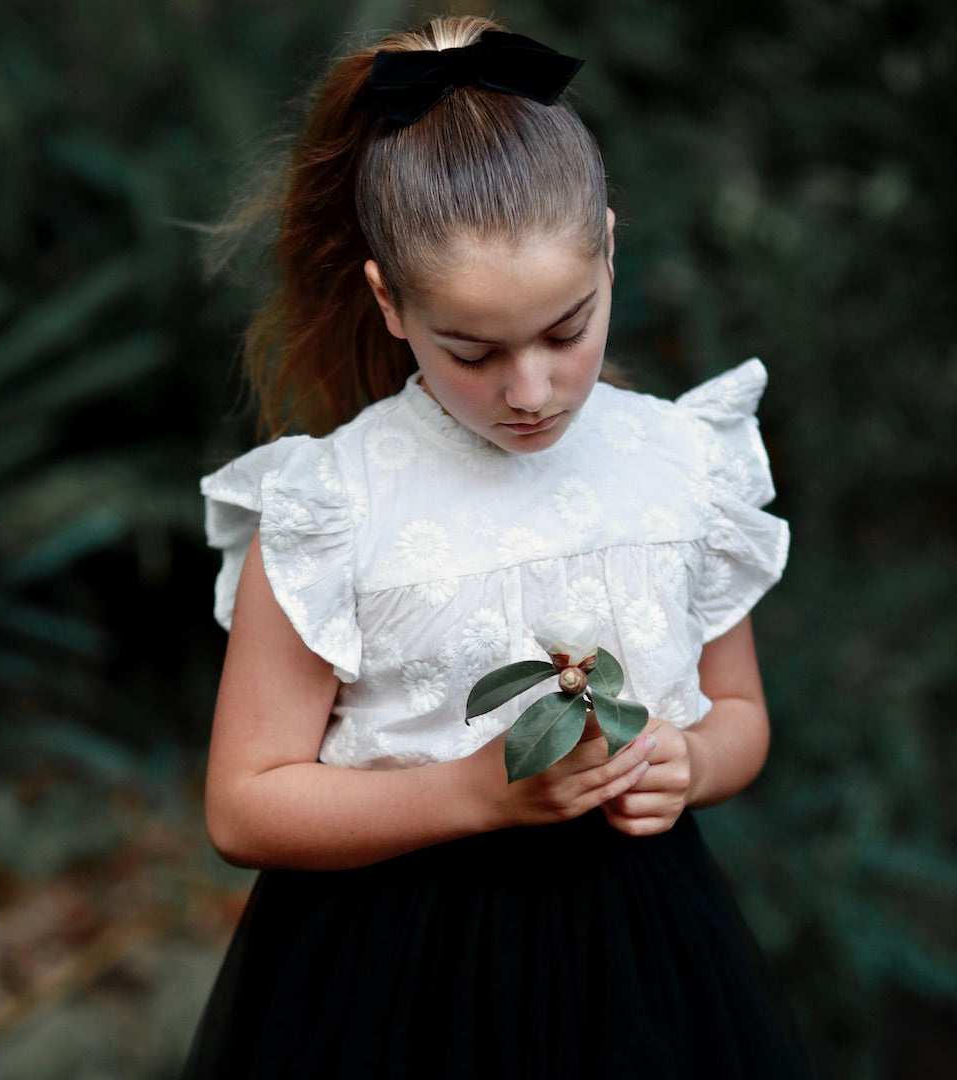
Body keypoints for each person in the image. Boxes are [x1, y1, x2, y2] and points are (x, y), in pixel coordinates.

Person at [183, 14, 813, 1080]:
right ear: (390, 303)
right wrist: (472, 793)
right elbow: (245, 802)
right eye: (472, 351)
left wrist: (691, 761)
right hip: (392, 977)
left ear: (609, 249)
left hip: (637, 959)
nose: (530, 392)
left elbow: (739, 714)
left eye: (567, 331)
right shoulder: (333, 504)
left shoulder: (681, 461)